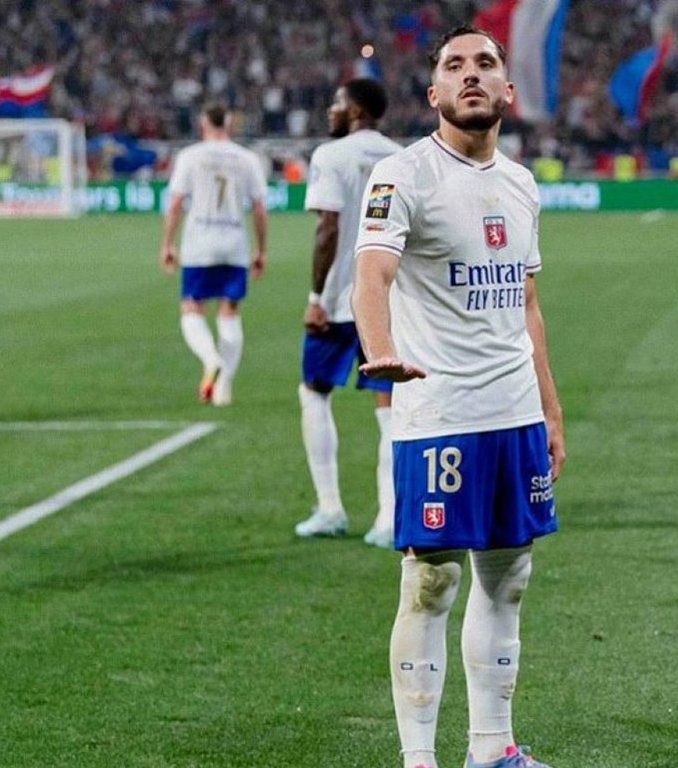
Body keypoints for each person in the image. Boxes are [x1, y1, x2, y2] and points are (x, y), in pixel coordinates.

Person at [351, 25, 564, 768]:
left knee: (508, 580)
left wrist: (549, 409)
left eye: (485, 63)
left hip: (515, 415)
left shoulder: (522, 184)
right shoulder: (403, 174)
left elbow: (526, 303)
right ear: (433, 91)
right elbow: (372, 273)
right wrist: (378, 348)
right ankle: (419, 758)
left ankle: (491, 749)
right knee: (431, 581)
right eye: (454, 65)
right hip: (438, 413)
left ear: (508, 88)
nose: (471, 74)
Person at [292, 79, 405, 547]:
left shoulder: (331, 155)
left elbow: (328, 227)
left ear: (356, 109)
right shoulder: (402, 158)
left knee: (314, 392)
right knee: (391, 408)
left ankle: (330, 508)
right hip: (390, 302)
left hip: (340, 301)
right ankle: (389, 518)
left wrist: (316, 297)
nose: (330, 109)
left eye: (337, 102)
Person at [158, 102, 267, 405]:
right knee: (229, 311)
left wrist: (167, 243)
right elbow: (259, 208)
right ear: (229, 124)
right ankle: (224, 386)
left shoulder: (190, 156)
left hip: (199, 243)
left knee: (192, 307)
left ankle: (210, 358)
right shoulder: (247, 158)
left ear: (203, 124)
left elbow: (176, 203)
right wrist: (261, 250)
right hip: (234, 242)